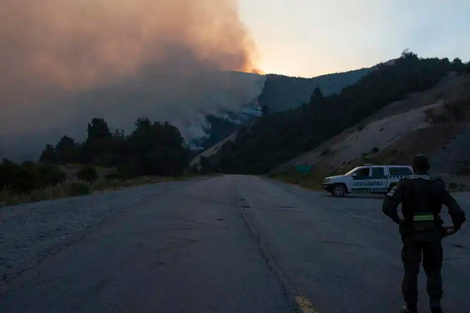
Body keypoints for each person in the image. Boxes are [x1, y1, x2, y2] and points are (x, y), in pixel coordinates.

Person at [382, 154, 466, 313]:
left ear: (413, 167)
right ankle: (435, 302)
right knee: (434, 270)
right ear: (428, 168)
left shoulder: (404, 184)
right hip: (433, 235)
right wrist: (455, 227)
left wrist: (399, 220)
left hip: (411, 235)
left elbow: (387, 206)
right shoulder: (437, 185)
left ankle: (411, 307)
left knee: (411, 271)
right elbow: (456, 210)